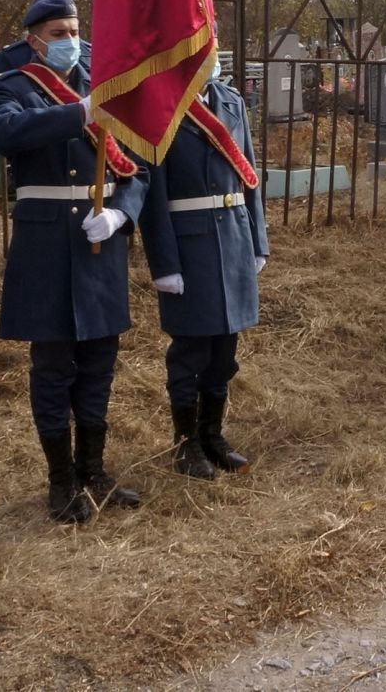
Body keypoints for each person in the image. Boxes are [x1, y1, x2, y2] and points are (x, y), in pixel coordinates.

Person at [0, 0, 149, 523]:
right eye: (59, 35)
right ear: (34, 41)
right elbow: (6, 134)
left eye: (76, 32)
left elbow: (138, 168)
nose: (71, 42)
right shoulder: (13, 86)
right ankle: (60, 481)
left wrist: (123, 212)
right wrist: (77, 111)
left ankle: (93, 469)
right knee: (53, 366)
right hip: (47, 243)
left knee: (100, 360)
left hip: (99, 239)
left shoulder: (111, 90)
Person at [140, 53, 269, 479]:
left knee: (224, 350)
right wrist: (164, 262)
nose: (208, 57)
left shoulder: (230, 101)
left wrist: (257, 240)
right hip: (189, 245)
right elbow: (152, 193)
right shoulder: (162, 105)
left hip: (232, 237)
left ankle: (213, 435)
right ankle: (186, 443)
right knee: (190, 350)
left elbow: (249, 174)